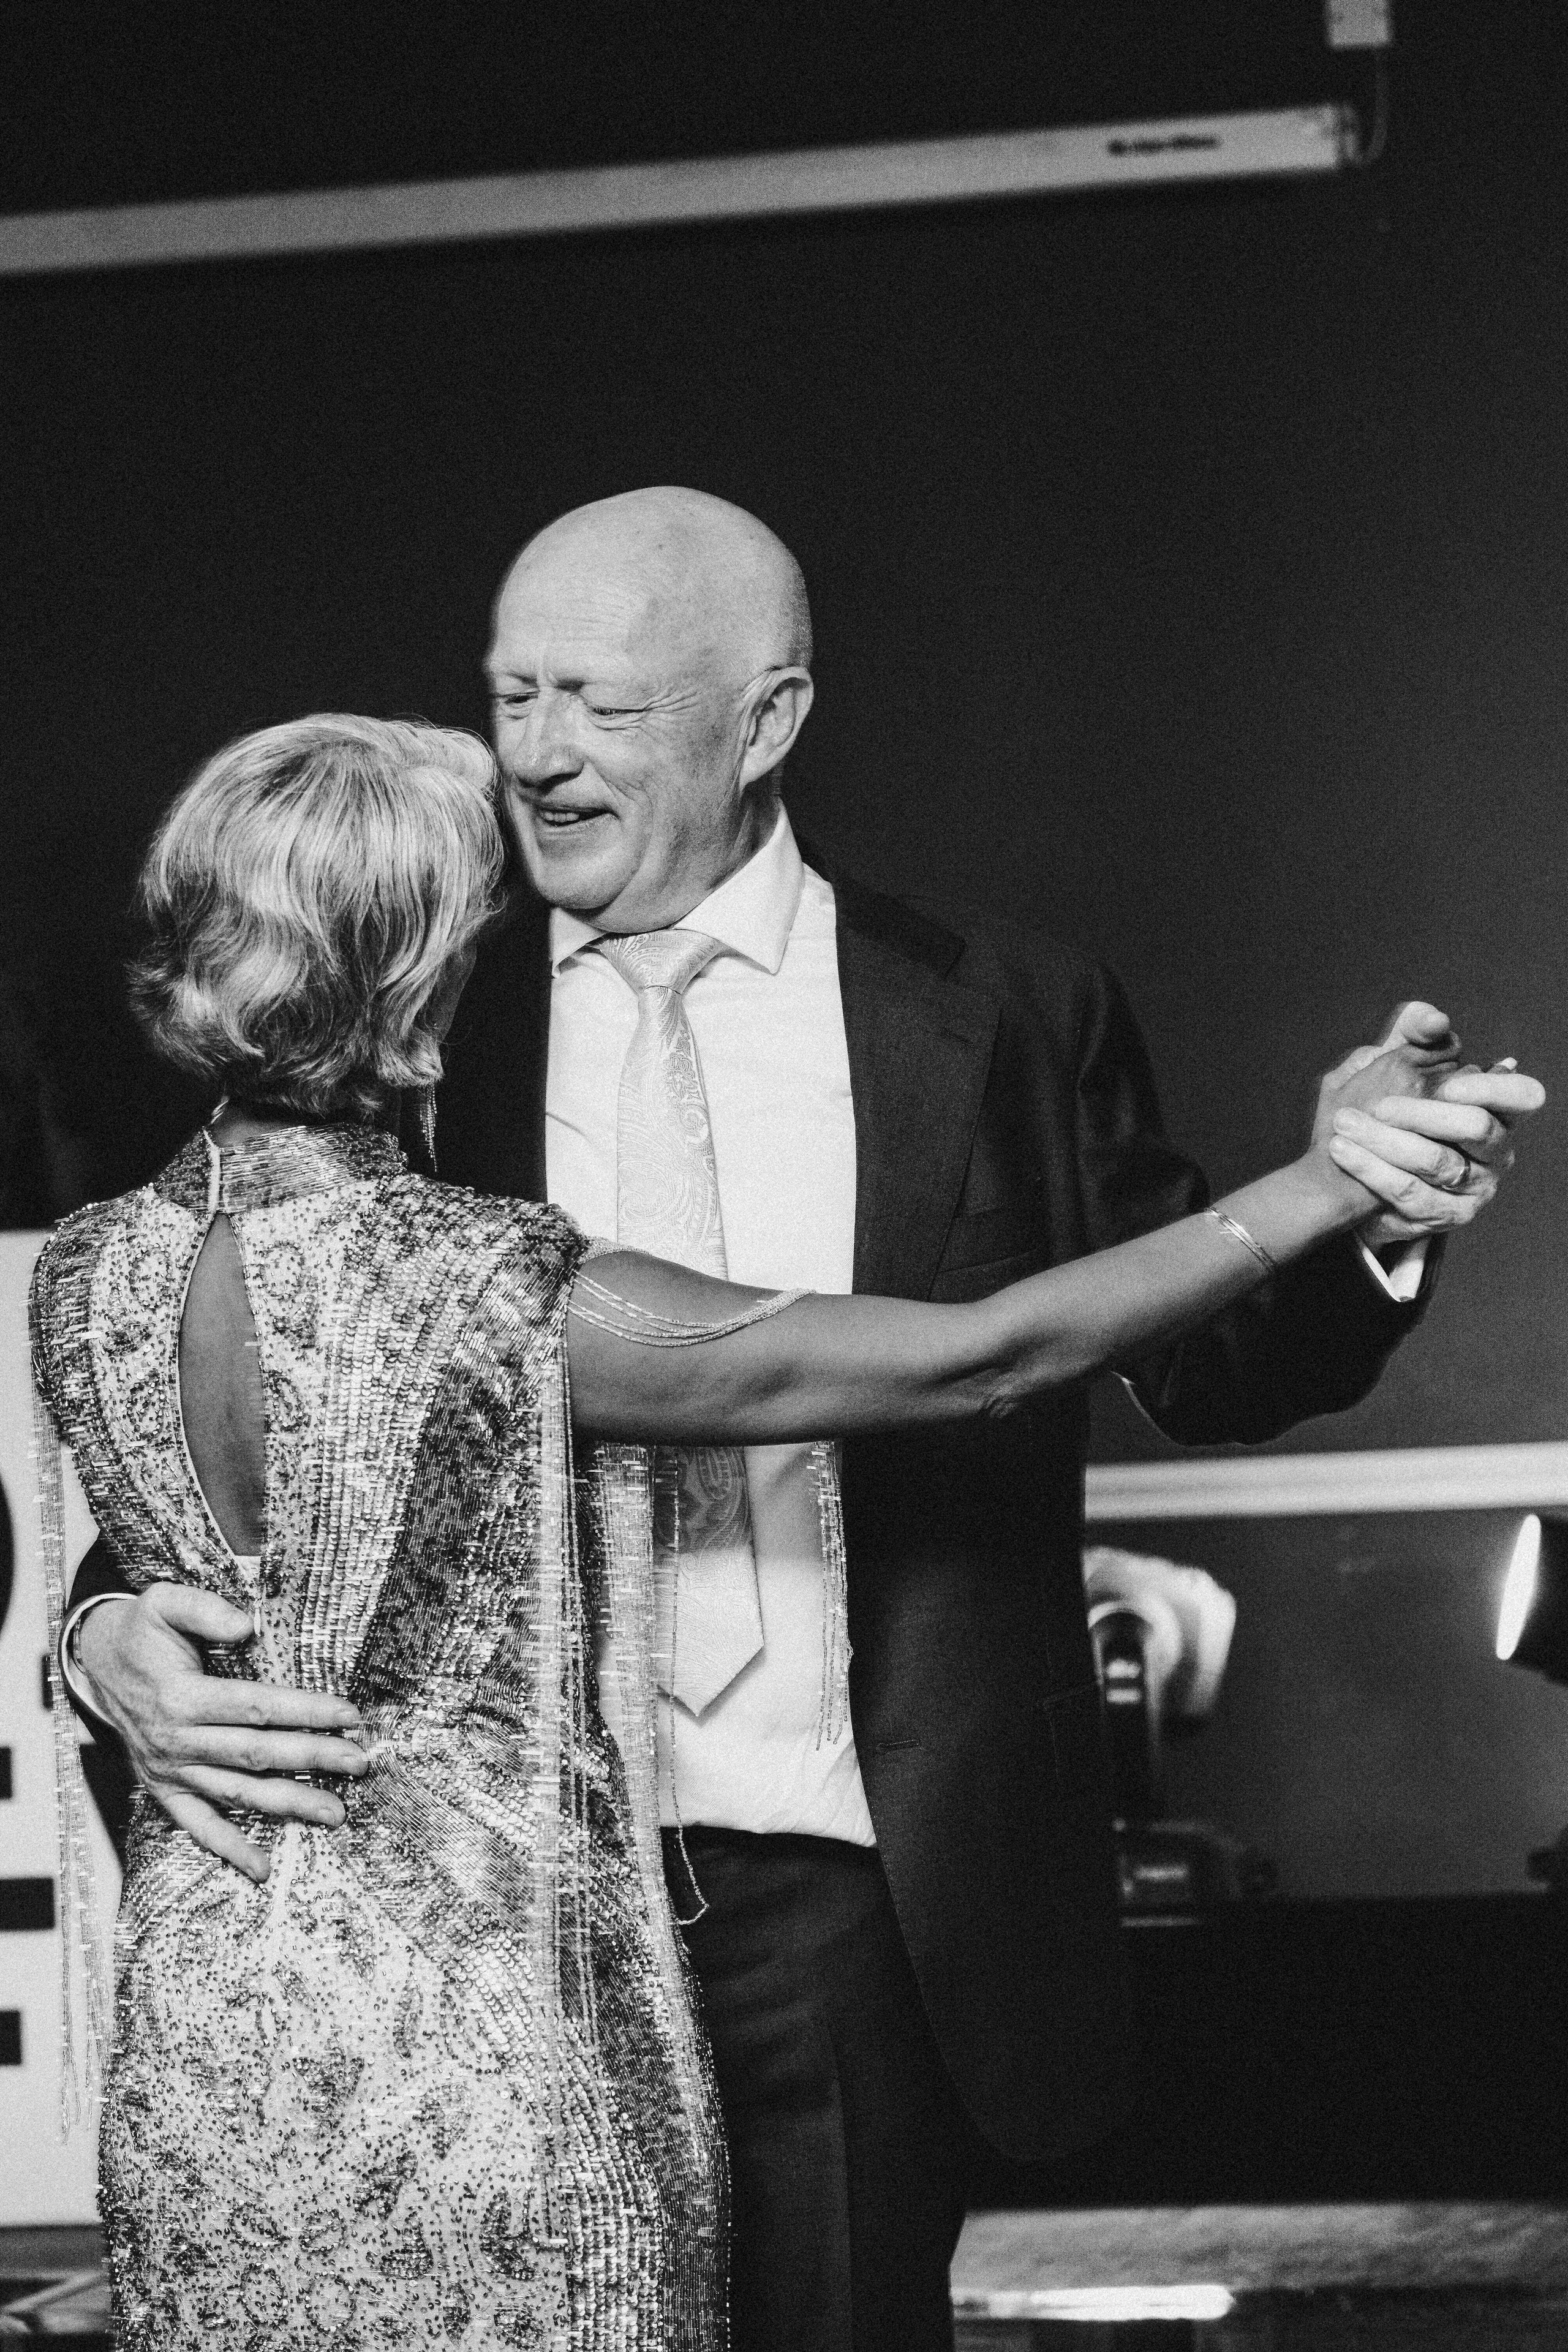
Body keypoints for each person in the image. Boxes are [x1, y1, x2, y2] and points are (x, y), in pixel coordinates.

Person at [62, 495, 1545, 2352]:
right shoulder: (412, 1007)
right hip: (484, 1916)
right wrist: (101, 1631)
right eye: (510, 693)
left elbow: (1210, 1365)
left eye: (596, 701)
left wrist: (1365, 1204)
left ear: (764, 722)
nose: (533, 752)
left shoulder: (1001, 1009)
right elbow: (240, 1398)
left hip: (845, 1892)